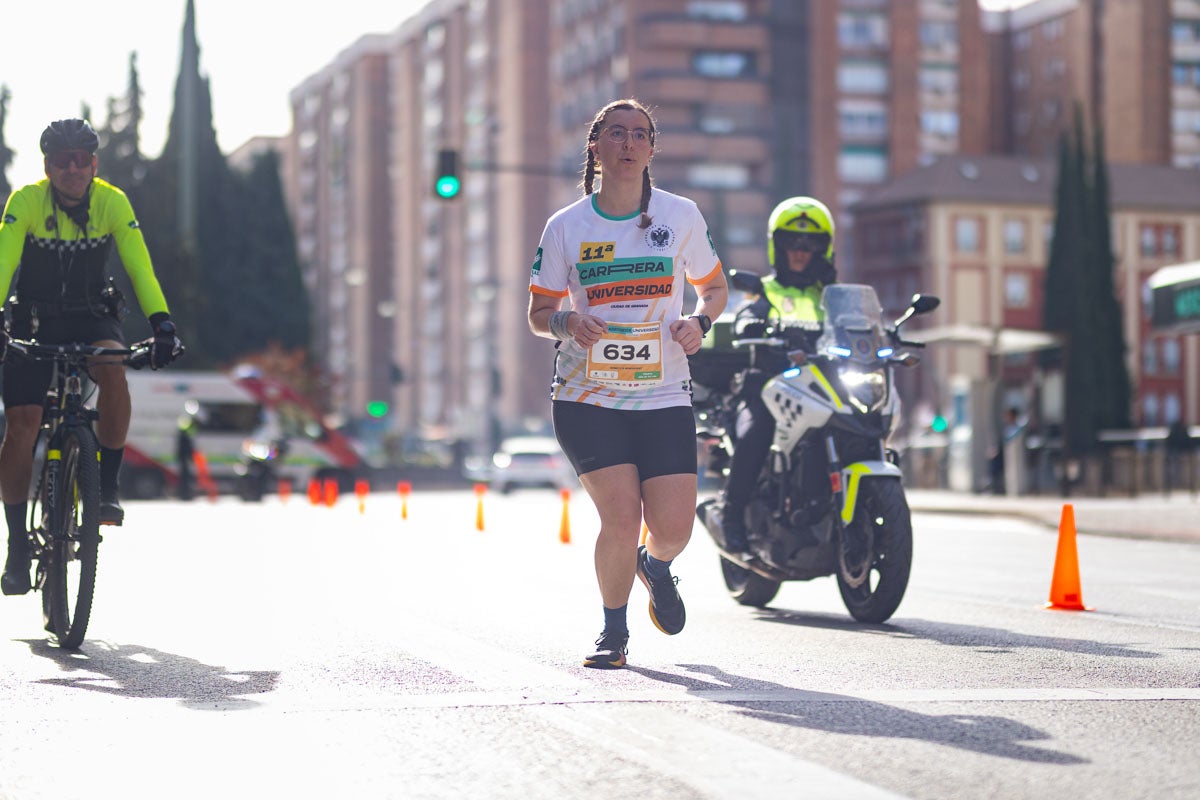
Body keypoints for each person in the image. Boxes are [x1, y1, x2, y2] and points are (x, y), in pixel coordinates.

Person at [527, 98, 728, 669]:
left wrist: (700, 323)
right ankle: (613, 634)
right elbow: (538, 315)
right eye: (616, 133)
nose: (629, 143)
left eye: (641, 134)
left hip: (663, 393)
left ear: (651, 150)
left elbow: (714, 290)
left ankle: (655, 565)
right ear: (596, 146)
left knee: (674, 527)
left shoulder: (681, 215)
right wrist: (568, 322)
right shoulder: (566, 226)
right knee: (620, 516)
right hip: (587, 396)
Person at [0, 119, 182, 596]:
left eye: (82, 159)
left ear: (94, 164)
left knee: (114, 369)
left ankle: (107, 485)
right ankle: (17, 544)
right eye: (63, 160)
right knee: (22, 424)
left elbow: (139, 266)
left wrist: (162, 323)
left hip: (92, 315)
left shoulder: (112, 202)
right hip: (33, 319)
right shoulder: (26, 202)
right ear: (48, 167)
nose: (73, 169)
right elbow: (4, 261)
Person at [718, 196, 838, 557]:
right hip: (769, 387)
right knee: (758, 431)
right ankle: (731, 514)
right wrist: (750, 322)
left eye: (810, 243)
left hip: (824, 388)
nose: (800, 251)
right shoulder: (765, 290)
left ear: (823, 249)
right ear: (777, 246)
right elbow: (745, 315)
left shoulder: (831, 296)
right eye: (791, 242)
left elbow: (857, 324)